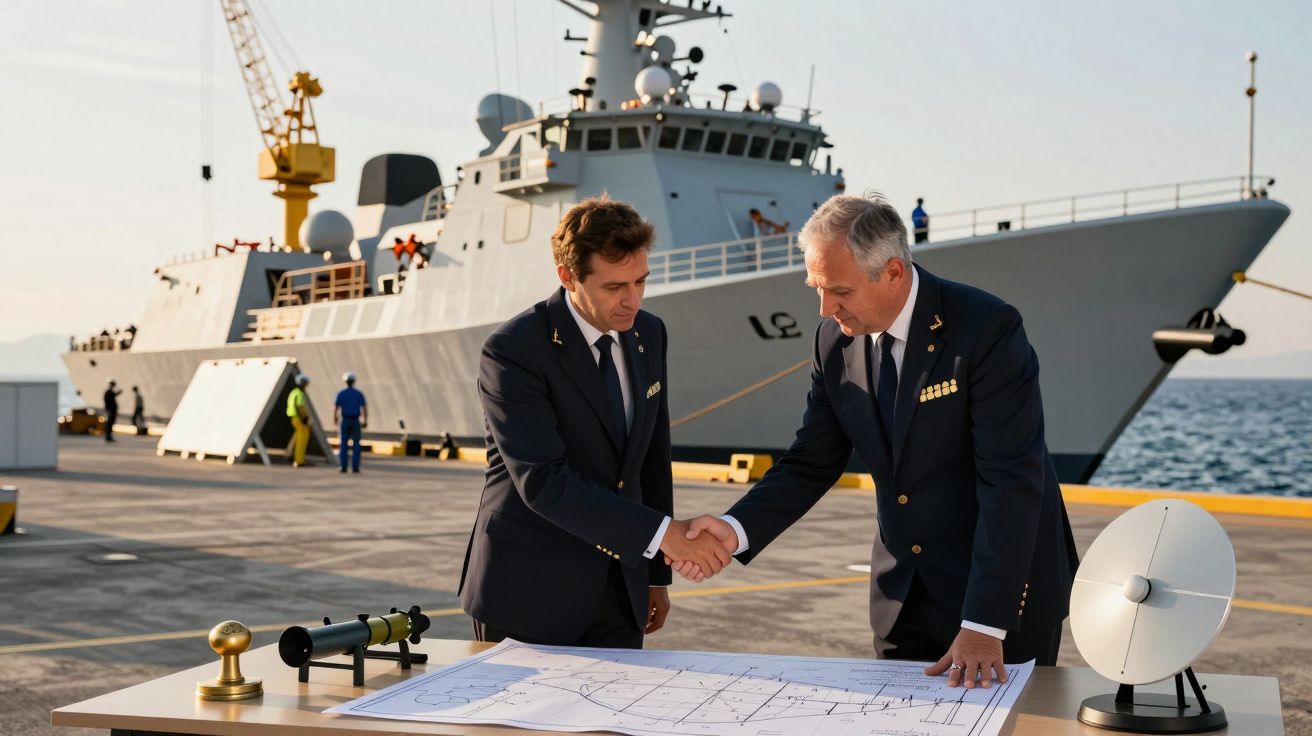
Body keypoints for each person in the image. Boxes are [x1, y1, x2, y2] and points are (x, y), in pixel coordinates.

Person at [674, 193, 1078, 688]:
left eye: (838, 290)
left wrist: (983, 623)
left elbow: (1011, 480)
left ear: (892, 272)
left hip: (1001, 603)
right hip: (903, 602)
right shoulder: (833, 341)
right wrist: (734, 529)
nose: (825, 308)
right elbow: (812, 461)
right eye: (816, 288)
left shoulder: (986, 329)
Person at [459, 195, 731, 649]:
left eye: (641, 281)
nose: (632, 300)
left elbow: (650, 460)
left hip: (620, 588)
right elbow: (544, 481)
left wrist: (654, 573)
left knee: (612, 722)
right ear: (567, 276)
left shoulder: (649, 333)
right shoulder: (513, 350)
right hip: (528, 593)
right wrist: (665, 536)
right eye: (613, 287)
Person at [334, 372, 368, 474]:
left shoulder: (341, 393)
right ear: (354, 381)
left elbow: (336, 408)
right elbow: (364, 408)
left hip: (344, 420)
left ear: (345, 381)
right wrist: (365, 420)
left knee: (343, 444)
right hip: (355, 421)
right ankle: (355, 467)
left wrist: (335, 419)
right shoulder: (359, 394)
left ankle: (343, 467)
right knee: (356, 445)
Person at [287, 374, 313, 468]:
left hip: (294, 418)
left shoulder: (293, 392)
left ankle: (295, 458)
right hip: (299, 419)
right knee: (302, 440)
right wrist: (304, 418)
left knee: (298, 439)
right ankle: (299, 461)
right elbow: (300, 406)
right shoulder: (299, 393)